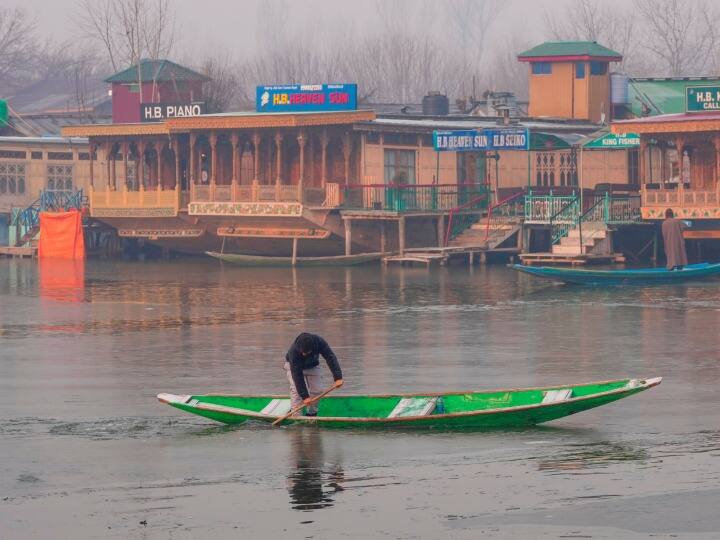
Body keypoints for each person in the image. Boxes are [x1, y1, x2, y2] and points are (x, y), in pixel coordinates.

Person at [285, 333, 343, 417]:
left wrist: (338, 377)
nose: (304, 354)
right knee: (297, 392)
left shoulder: (319, 342)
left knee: (318, 391)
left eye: (306, 352)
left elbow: (330, 357)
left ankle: (311, 414)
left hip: (312, 365)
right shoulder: (293, 352)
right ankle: (296, 415)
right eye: (302, 353)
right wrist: (305, 396)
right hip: (294, 368)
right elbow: (297, 376)